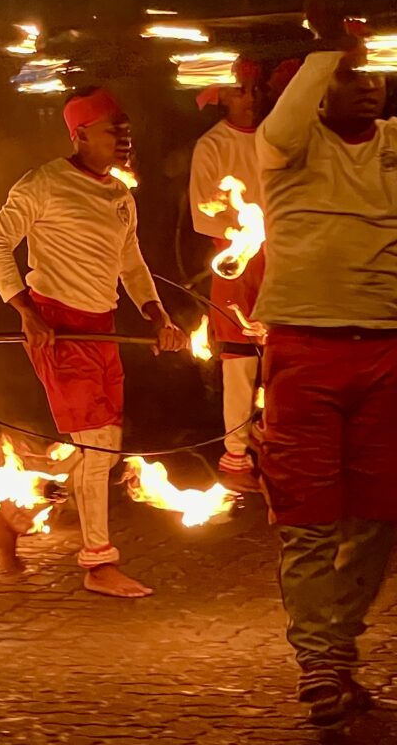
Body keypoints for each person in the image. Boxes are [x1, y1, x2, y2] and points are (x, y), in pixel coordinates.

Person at [0, 86, 187, 598]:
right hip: (58, 327)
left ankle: (9, 512)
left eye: (127, 129)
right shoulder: (42, 185)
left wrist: (158, 315)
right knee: (97, 445)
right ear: (80, 134)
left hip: (101, 328)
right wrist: (27, 312)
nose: (124, 138)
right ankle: (98, 563)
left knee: (102, 450)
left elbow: (131, 266)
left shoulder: (119, 196)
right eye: (115, 129)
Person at [254, 47, 397, 729]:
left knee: (379, 516)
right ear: (315, 92)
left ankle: (336, 652)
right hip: (303, 352)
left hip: (387, 351)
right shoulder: (288, 151)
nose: (367, 86)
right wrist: (324, 50)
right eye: (350, 76)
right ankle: (317, 660)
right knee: (307, 520)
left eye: (372, 74)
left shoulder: (393, 148)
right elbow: (278, 129)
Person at [189, 60, 264, 480]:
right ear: (222, 97)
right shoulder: (212, 146)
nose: (249, 98)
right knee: (238, 360)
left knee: (283, 357)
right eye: (240, 90)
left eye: (254, 89)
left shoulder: (276, 137)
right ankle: (236, 453)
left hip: (281, 260)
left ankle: (277, 447)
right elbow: (204, 217)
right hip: (235, 261)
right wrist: (247, 231)